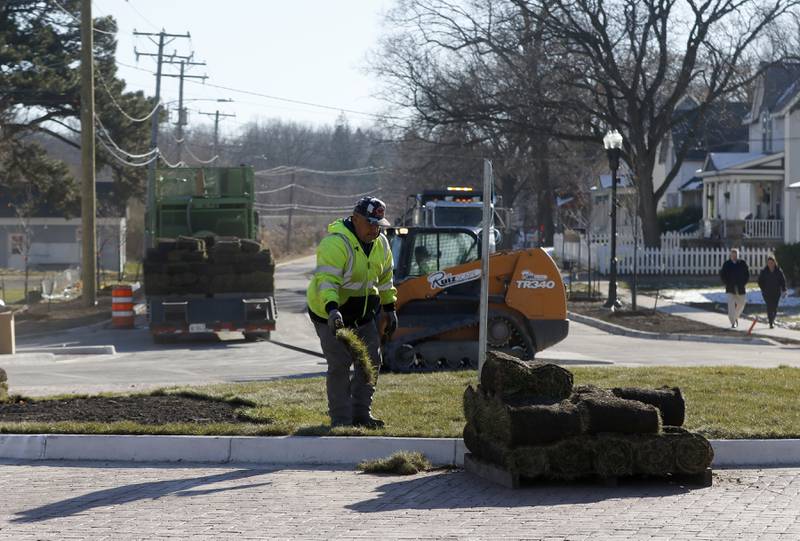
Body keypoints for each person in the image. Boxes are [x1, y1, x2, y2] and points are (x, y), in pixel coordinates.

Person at [306, 196, 398, 428]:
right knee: (339, 363)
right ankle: (341, 418)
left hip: (362, 313)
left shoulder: (382, 244)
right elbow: (327, 281)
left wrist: (390, 308)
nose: (374, 229)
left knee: (370, 361)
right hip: (329, 311)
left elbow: (386, 279)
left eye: (378, 225)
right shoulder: (336, 244)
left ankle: (361, 414)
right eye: (369, 223)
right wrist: (332, 310)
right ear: (355, 218)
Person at [719, 248, 749, 328]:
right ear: (730, 255)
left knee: (742, 303)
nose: (734, 256)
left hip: (740, 288)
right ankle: (733, 322)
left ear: (738, 255)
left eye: (736, 254)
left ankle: (735, 317)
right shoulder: (727, 264)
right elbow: (722, 275)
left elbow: (747, 274)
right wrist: (727, 283)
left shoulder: (742, 263)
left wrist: (743, 283)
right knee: (731, 306)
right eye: (733, 254)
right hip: (730, 288)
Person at [757, 255, 787, 329]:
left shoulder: (778, 271)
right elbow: (760, 281)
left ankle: (772, 319)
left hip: (776, 292)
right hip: (766, 292)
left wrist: (784, 289)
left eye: (772, 262)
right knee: (769, 306)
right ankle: (771, 322)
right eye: (769, 263)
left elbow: (783, 281)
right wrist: (763, 289)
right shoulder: (764, 271)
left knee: (774, 307)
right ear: (767, 263)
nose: (770, 264)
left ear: (774, 263)